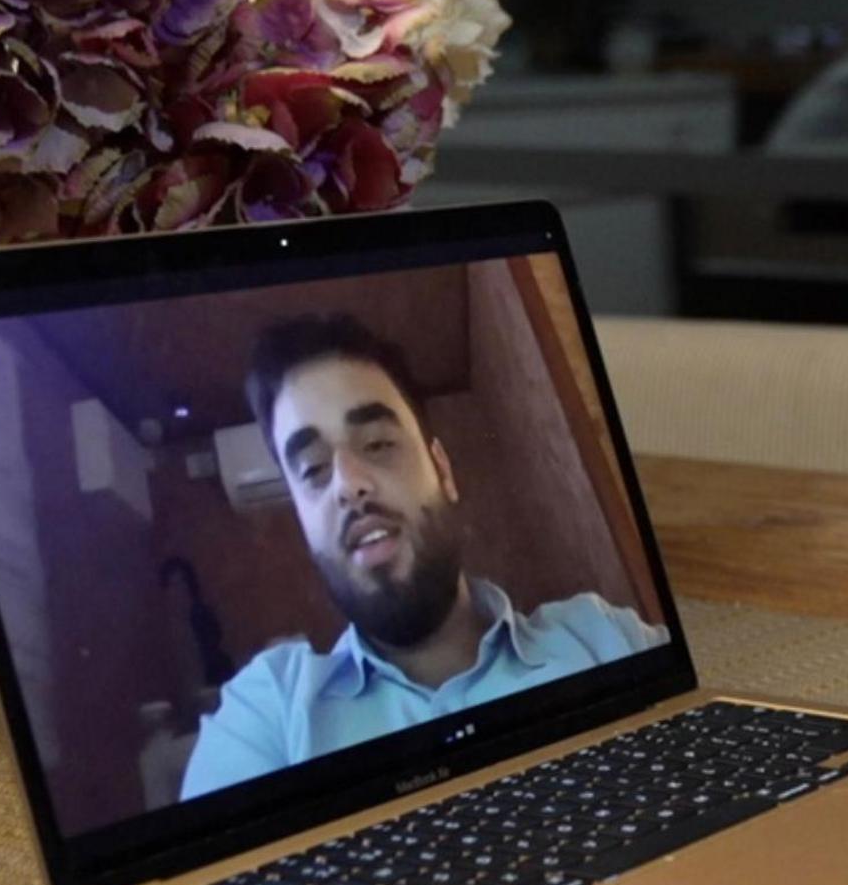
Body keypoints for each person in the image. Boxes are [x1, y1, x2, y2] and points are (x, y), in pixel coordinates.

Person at [180, 315, 666, 799]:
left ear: (443, 471)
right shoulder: (267, 715)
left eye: (377, 444)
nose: (349, 484)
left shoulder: (604, 640)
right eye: (312, 470)